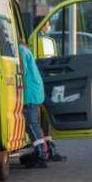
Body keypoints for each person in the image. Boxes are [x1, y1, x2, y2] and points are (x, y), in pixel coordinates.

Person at [27, 17, 66, 162]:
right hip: (42, 82)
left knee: (43, 120)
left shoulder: (37, 39)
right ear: (42, 25)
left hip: (39, 83)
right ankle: (47, 150)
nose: (49, 26)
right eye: (48, 24)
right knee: (44, 119)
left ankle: (48, 149)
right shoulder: (40, 40)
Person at [18, 41, 50, 168]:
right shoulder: (24, 49)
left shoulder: (20, 50)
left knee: (31, 125)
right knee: (33, 125)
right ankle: (40, 153)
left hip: (29, 93)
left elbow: (22, 71)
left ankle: (42, 156)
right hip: (33, 91)